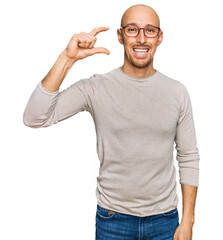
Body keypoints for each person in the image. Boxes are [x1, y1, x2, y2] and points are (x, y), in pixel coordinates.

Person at [23, 4, 200, 240]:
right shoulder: (96, 88)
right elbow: (34, 117)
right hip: (113, 221)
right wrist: (68, 58)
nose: (141, 39)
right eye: (132, 30)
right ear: (120, 35)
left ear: (159, 38)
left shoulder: (177, 92)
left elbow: (188, 156)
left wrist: (188, 220)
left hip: (165, 221)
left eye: (149, 30)